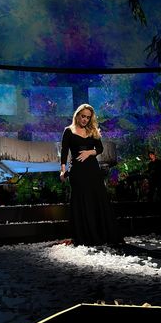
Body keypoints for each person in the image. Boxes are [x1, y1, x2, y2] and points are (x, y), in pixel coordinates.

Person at [60, 103, 124, 247]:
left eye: (88, 118)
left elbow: (100, 148)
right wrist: (62, 170)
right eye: (83, 116)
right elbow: (64, 152)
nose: (85, 120)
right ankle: (83, 235)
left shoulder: (92, 130)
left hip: (92, 169)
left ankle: (100, 234)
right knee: (81, 201)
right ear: (77, 115)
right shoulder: (68, 131)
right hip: (77, 170)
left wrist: (89, 152)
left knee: (97, 199)